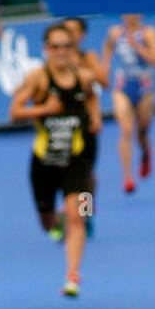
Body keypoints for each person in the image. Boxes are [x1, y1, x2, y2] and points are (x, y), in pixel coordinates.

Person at [9, 21, 96, 297]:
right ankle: (54, 219)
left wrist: (94, 118)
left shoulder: (83, 77)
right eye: (55, 46)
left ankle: (73, 277)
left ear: (73, 49)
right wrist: (44, 109)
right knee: (47, 223)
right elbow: (15, 111)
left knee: (78, 217)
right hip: (44, 162)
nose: (60, 52)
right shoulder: (39, 78)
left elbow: (91, 97)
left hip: (76, 160)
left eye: (66, 46)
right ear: (46, 49)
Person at [102, 13, 155, 193]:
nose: (129, 16)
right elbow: (107, 49)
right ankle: (128, 177)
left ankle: (145, 152)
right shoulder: (114, 32)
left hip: (144, 87)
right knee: (126, 130)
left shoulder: (149, 33)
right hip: (122, 87)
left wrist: (137, 46)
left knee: (142, 132)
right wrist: (105, 67)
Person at [61, 16, 109, 236]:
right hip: (61, 125)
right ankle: (67, 216)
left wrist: (96, 118)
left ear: (82, 35)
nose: (70, 36)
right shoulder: (54, 60)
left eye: (74, 31)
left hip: (86, 123)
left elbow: (102, 84)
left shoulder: (88, 57)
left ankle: (86, 213)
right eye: (66, 31)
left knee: (87, 175)